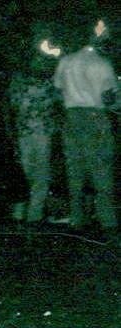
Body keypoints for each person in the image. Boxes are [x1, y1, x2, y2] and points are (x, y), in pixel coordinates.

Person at [52, 24, 117, 233]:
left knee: (75, 168)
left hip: (71, 116)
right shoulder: (102, 63)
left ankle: (77, 218)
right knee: (101, 168)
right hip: (94, 116)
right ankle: (107, 220)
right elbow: (109, 98)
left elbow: (57, 90)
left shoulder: (65, 61)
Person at [7, 50, 59, 224]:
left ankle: (30, 214)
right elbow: (14, 105)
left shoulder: (45, 83)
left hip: (35, 133)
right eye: (38, 61)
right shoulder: (25, 82)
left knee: (36, 174)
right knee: (32, 174)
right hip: (32, 134)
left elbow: (14, 106)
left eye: (42, 62)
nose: (40, 65)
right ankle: (26, 214)